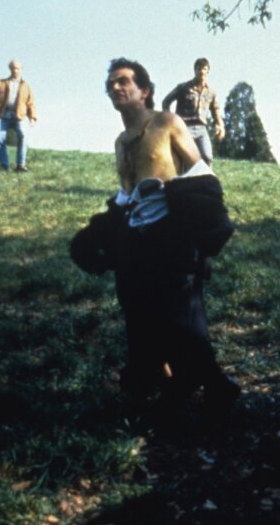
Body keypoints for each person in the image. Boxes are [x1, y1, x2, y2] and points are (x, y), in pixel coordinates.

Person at [70, 57, 239, 428]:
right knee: (138, 310)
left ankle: (216, 387)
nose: (115, 88)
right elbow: (126, 193)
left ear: (144, 90)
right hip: (137, 237)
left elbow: (200, 171)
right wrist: (98, 234)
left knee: (181, 318)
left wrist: (201, 222)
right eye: (111, 84)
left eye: (123, 81)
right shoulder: (120, 142)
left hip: (171, 235)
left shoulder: (167, 122)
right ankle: (166, 385)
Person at [161, 57, 225, 165]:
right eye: (199, 68)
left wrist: (220, 126)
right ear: (194, 70)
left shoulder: (211, 92)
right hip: (184, 127)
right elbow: (166, 102)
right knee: (185, 158)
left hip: (201, 129)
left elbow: (215, 109)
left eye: (204, 69)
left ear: (208, 71)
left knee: (207, 156)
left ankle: (206, 176)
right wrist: (170, 121)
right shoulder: (183, 88)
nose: (201, 71)